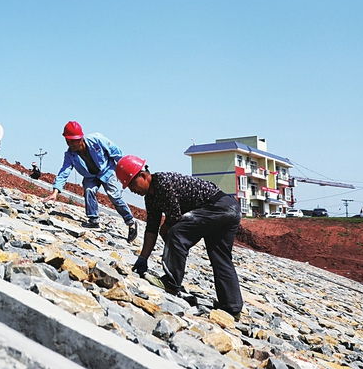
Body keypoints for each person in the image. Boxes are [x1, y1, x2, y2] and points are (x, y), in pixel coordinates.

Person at [117, 155, 244, 320]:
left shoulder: (162, 182)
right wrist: (143, 258)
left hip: (220, 207)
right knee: (220, 257)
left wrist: (166, 233)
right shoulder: (151, 198)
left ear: (143, 176)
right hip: (230, 208)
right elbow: (151, 228)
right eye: (128, 187)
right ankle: (232, 308)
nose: (132, 189)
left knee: (175, 233)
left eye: (132, 184)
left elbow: (174, 218)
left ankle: (171, 282)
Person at [41, 121, 137, 242]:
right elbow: (64, 172)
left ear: (80, 138)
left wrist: (128, 170)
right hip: (90, 176)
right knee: (89, 190)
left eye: (73, 140)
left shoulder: (96, 139)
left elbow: (116, 152)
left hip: (106, 170)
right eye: (67, 141)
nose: (70, 144)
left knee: (114, 196)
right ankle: (93, 220)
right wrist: (55, 192)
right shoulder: (70, 155)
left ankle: (131, 223)